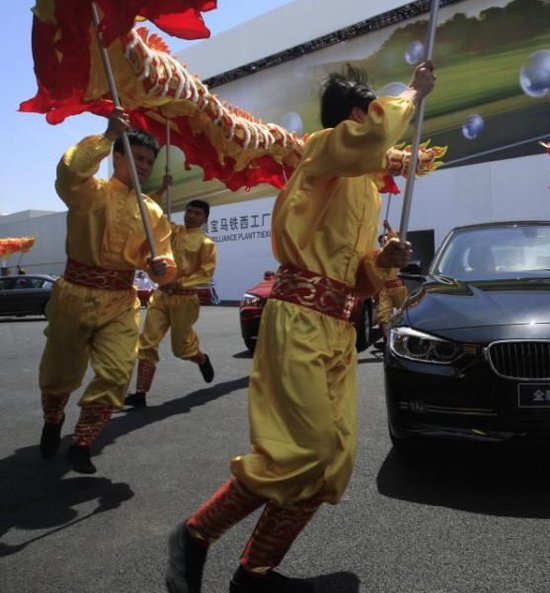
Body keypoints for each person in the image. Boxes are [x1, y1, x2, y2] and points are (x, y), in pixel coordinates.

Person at [164, 61, 435, 593]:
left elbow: (360, 279)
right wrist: (412, 92)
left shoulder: (366, 191)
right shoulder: (322, 150)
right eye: (369, 111)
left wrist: (385, 259)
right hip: (298, 320)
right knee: (299, 453)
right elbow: (377, 133)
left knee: (332, 463)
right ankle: (195, 534)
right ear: (355, 116)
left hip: (338, 328)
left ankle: (255, 572)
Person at [37, 108, 176, 474]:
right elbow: (68, 174)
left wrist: (161, 268)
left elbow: (161, 258)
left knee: (116, 373)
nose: (143, 166)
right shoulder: (88, 193)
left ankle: (82, 443)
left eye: (149, 161)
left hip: (120, 300)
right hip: (73, 296)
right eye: (137, 157)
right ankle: (53, 419)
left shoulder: (153, 214)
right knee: (59, 375)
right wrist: (107, 135)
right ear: (118, 157)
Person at [127, 198, 217, 408]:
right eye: (189, 211)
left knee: (181, 348)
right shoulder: (173, 231)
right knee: (147, 342)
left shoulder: (207, 244)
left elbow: (206, 274)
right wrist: (161, 189)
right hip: (160, 296)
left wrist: (180, 283)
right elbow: (156, 217)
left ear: (204, 218)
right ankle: (140, 394)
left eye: (196, 213)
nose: (191, 215)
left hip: (185, 300)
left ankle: (201, 359)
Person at [374, 222, 408, 349]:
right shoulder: (377, 256)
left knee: (406, 314)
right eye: (382, 241)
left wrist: (388, 228)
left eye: (386, 240)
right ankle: (388, 342)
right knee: (383, 317)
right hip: (384, 290)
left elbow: (397, 240)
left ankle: (405, 340)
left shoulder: (395, 253)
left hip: (398, 287)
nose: (384, 242)